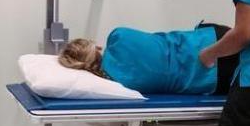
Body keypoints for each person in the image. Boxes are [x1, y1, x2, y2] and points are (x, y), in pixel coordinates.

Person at [59, 23, 240, 95]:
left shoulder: (115, 85)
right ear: (95, 46)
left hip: (213, 81)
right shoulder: (118, 36)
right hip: (209, 41)